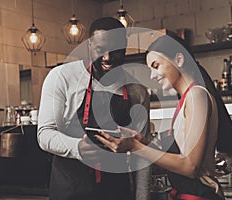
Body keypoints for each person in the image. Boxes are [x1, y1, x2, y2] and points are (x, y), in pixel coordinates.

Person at [95, 35, 232, 200]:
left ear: (179, 59)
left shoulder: (196, 95)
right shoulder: (188, 98)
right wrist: (142, 142)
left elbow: (191, 166)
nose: (152, 76)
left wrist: (135, 147)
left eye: (156, 66)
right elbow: (181, 157)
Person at [37, 17, 151, 200]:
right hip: (70, 188)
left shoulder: (137, 91)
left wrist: (142, 198)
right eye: (100, 50)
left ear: (125, 48)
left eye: (115, 52)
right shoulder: (61, 77)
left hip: (117, 190)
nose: (107, 58)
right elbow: (44, 134)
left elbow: (143, 152)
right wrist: (76, 147)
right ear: (89, 46)